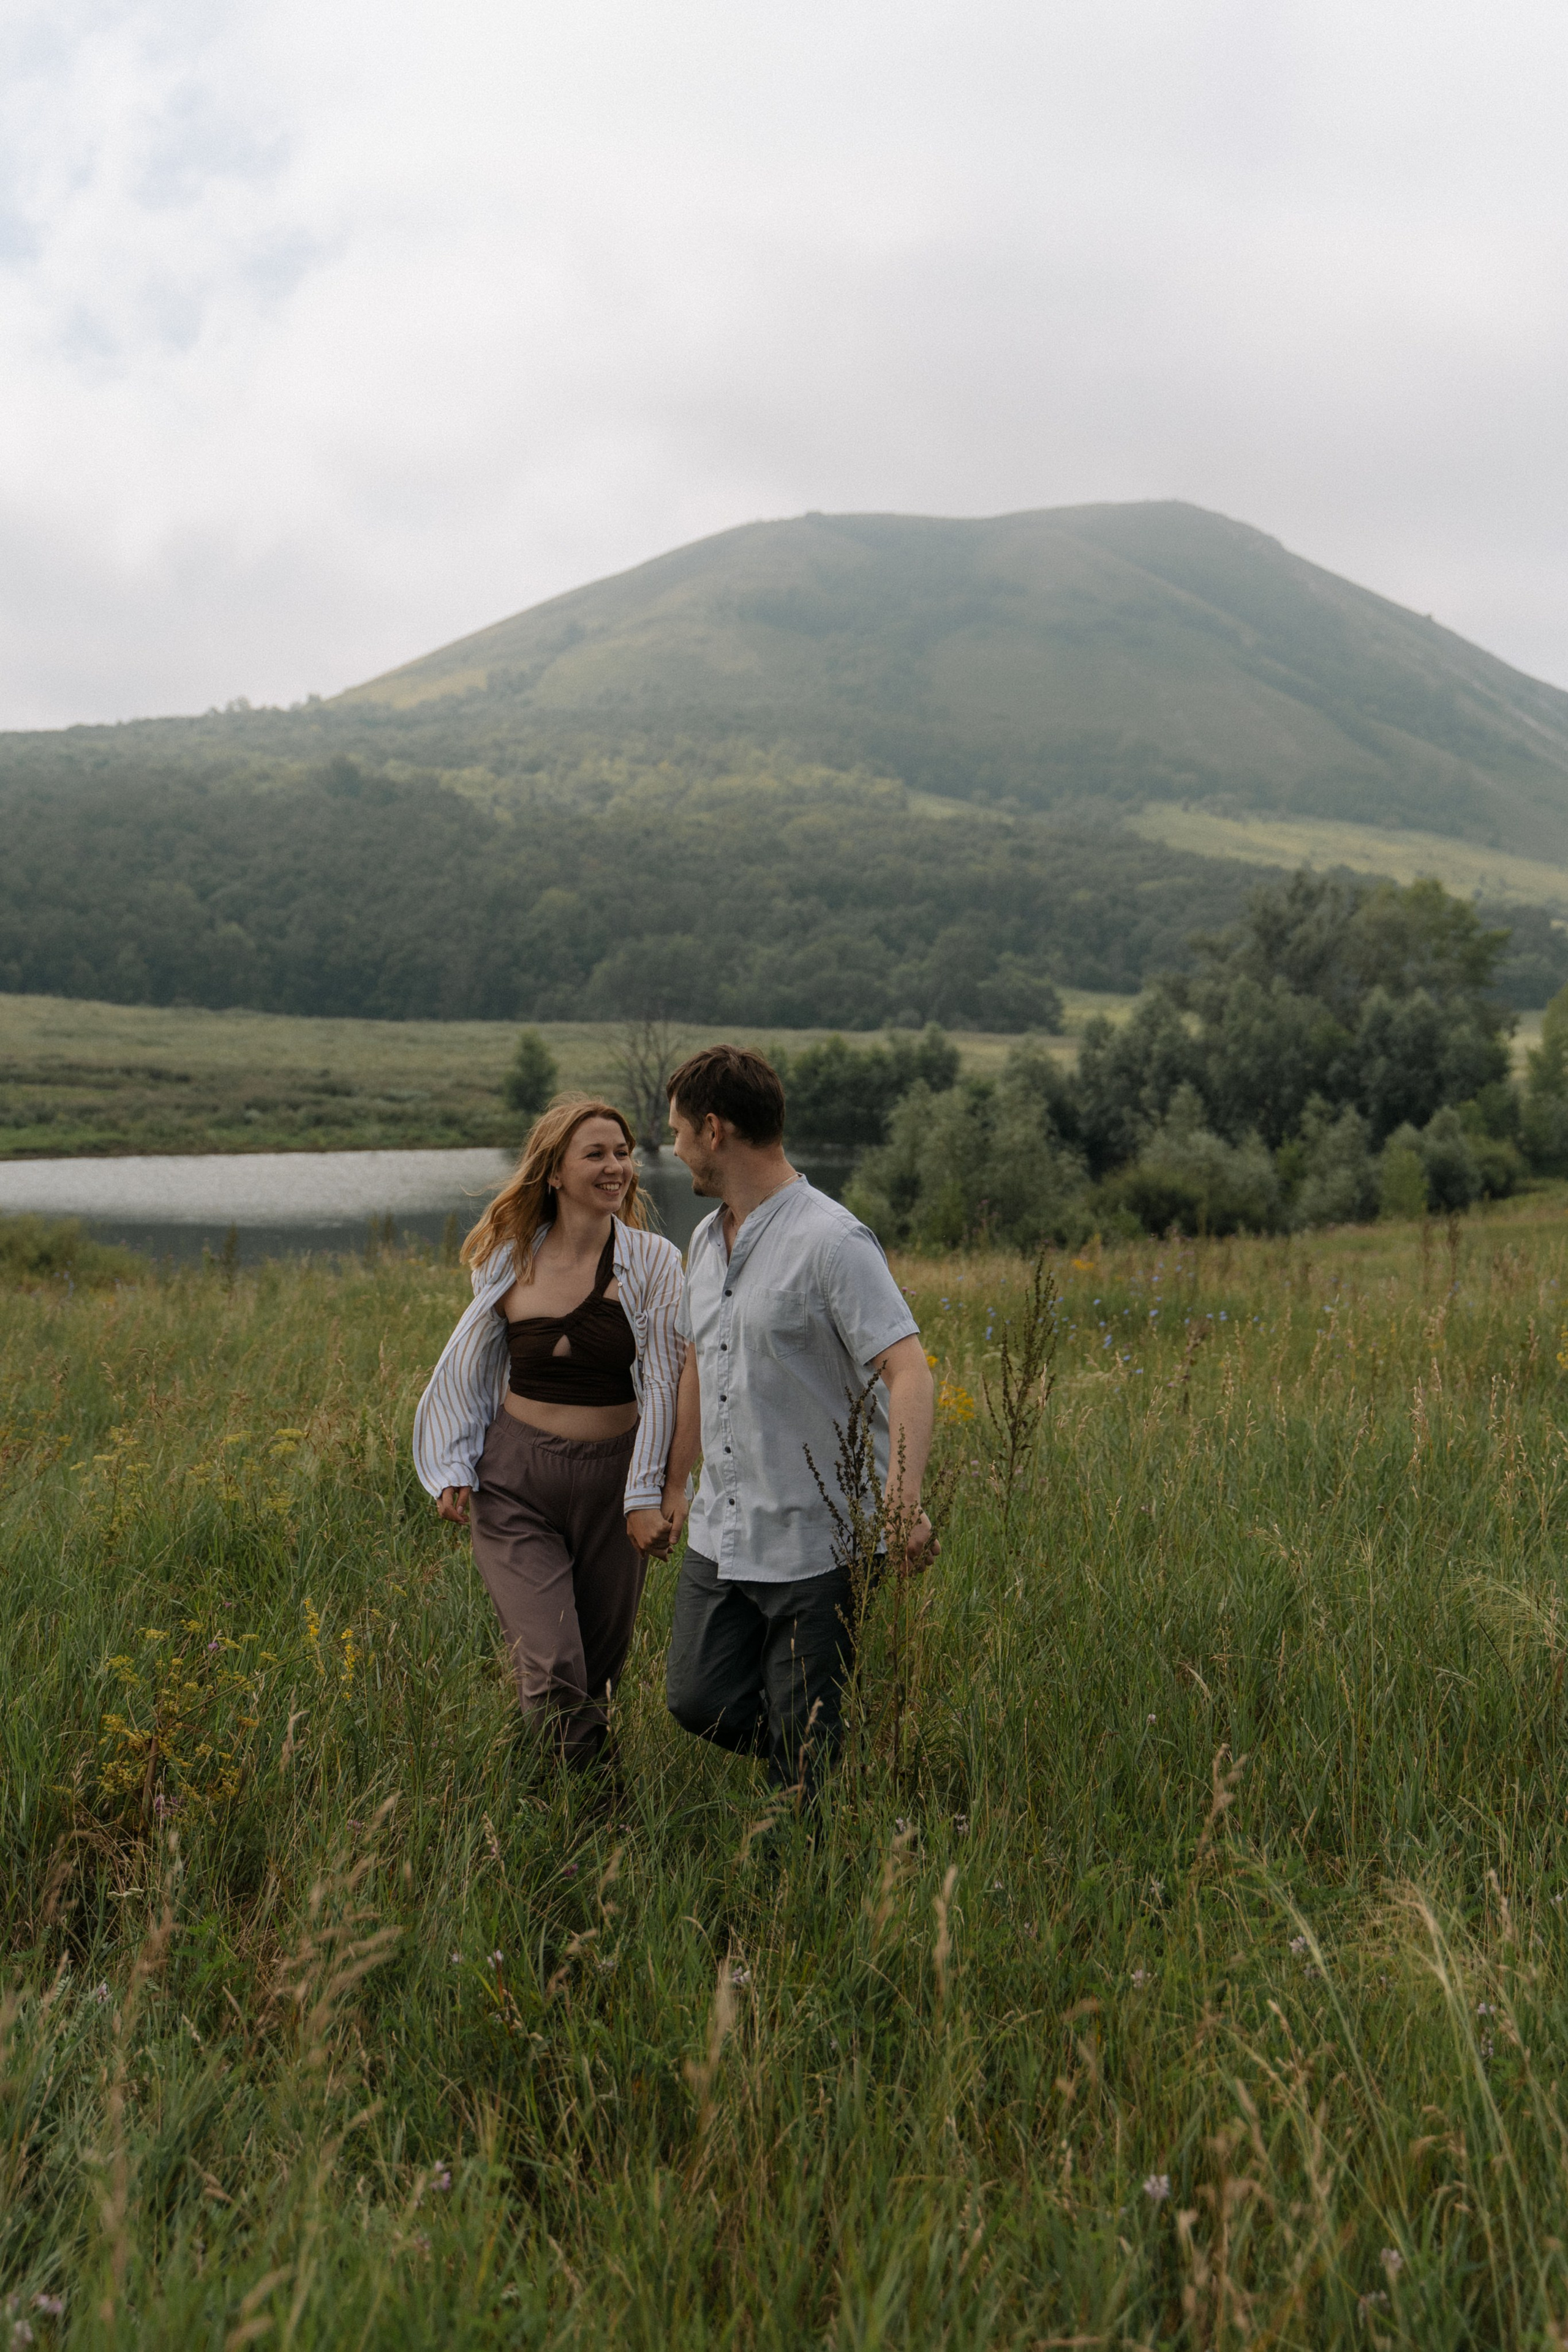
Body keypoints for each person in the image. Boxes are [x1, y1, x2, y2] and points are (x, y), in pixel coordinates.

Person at [655, 1045, 937, 1791]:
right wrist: (674, 1485)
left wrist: (901, 1505)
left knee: (801, 1747)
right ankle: (828, 1758)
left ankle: (803, 1867)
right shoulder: (703, 1241)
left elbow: (908, 1370)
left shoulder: (832, 1241)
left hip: (820, 1539)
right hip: (723, 1528)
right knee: (696, 1698)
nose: (674, 1146)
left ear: (714, 1130)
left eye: (678, 1131)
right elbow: (696, 1362)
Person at [412, 1095, 684, 1768]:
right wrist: (451, 1465)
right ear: (555, 1173)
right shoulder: (505, 1257)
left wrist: (647, 1493)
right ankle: (595, 1806)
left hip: (613, 1482)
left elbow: (663, 1385)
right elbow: (477, 1363)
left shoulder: (654, 1262)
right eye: (595, 1154)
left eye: (622, 1153)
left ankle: (548, 1803)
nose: (615, 1166)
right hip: (516, 1481)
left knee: (595, 1670)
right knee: (554, 1660)